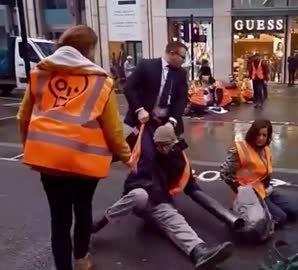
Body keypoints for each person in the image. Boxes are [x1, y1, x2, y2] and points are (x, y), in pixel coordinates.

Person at [17, 25, 132, 270]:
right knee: (82, 210)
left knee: (58, 220)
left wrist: (30, 145)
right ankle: (81, 259)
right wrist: (126, 157)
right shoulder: (100, 81)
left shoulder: (40, 74)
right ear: (88, 49)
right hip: (84, 161)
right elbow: (112, 129)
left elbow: (22, 117)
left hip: (49, 161)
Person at [92, 124, 234, 269]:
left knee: (176, 220)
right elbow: (130, 178)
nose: (161, 149)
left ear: (173, 143)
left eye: (165, 145)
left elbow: (191, 186)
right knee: (139, 195)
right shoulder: (147, 155)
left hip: (160, 201)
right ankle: (101, 222)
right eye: (158, 145)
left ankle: (199, 252)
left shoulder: (179, 160)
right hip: (141, 196)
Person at [123, 41, 189, 187]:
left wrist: (172, 122)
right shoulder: (147, 66)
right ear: (172, 53)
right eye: (182, 57)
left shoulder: (181, 74)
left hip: (167, 122)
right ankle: (139, 190)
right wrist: (139, 110)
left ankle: (165, 189)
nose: (184, 61)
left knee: (173, 158)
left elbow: (181, 99)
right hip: (146, 121)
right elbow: (129, 88)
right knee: (147, 155)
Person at [220, 119, 298, 228]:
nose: (260, 138)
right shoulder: (240, 150)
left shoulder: (265, 149)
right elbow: (224, 173)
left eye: (264, 135)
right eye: (258, 134)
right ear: (252, 133)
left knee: (295, 211)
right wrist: (240, 191)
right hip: (252, 195)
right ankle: (240, 211)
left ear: (268, 136)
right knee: (282, 219)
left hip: (266, 190)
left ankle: (268, 209)